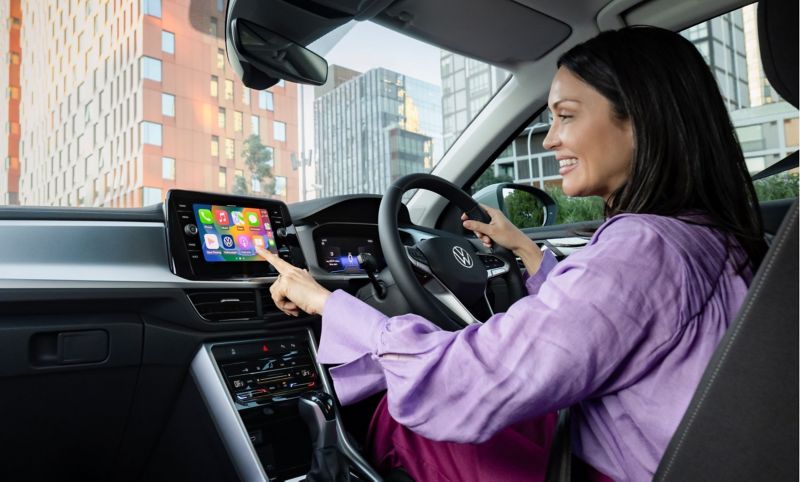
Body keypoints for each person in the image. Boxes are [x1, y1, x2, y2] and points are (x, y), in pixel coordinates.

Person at [255, 26, 766, 482]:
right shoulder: (714, 238)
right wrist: (523, 247)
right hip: (663, 451)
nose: (549, 139)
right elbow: (602, 321)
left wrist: (328, 304)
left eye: (565, 116)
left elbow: (458, 382)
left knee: (399, 416)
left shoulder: (643, 246)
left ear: (641, 118)